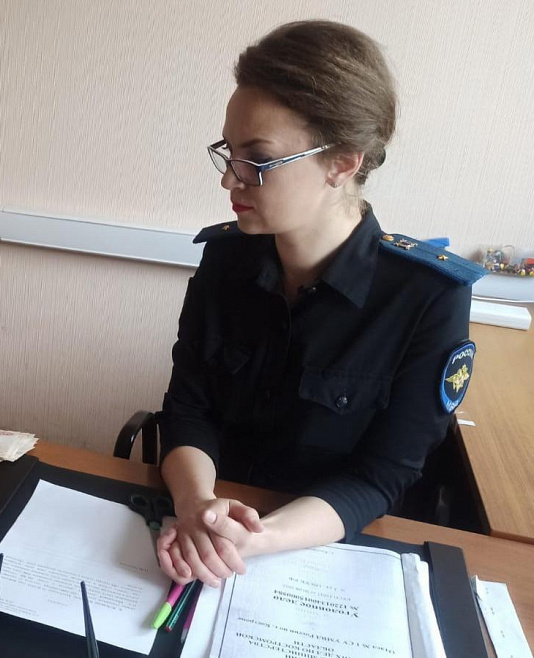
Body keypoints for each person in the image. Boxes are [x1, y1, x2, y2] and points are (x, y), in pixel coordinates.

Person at [155, 20, 485, 588]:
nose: (230, 181)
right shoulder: (226, 260)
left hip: (322, 554)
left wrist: (259, 538)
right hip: (206, 531)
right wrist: (197, 506)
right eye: (228, 153)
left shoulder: (428, 297)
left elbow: (383, 476)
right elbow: (189, 409)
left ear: (342, 163)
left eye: (257, 160)